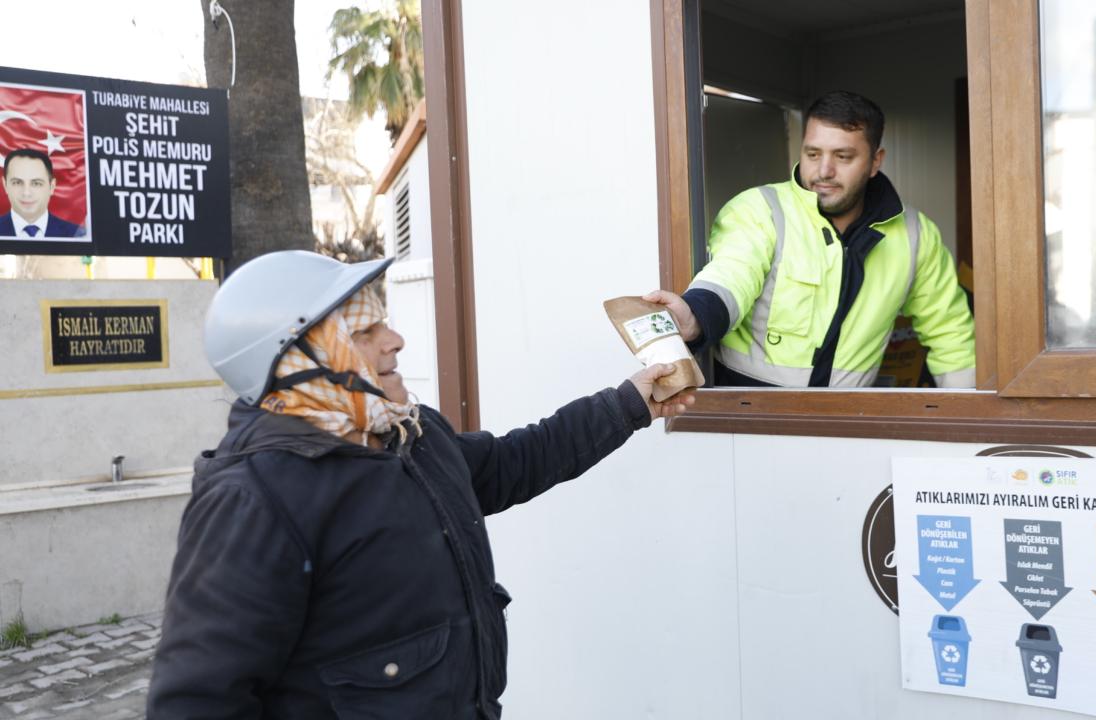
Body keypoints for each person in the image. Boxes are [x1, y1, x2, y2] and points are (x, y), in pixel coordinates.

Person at [147, 250, 694, 719]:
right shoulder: (255, 495)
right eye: (365, 332)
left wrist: (629, 404)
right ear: (298, 364)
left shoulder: (408, 432)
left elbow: (510, 464)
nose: (396, 341)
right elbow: (198, 700)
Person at [646, 91, 975, 388]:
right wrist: (697, 315)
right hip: (747, 410)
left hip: (848, 419)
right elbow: (733, 274)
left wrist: (966, 427)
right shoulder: (760, 209)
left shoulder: (916, 234)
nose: (823, 171)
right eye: (813, 154)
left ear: (875, 161)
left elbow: (952, 336)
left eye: (843, 157)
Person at [0, 148, 85, 238]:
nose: (26, 193)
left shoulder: (77, 235)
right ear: (5, 185)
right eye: (17, 182)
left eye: (36, 183)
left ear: (52, 186)